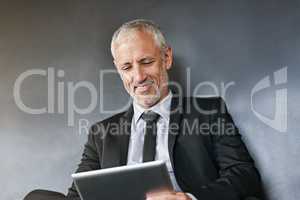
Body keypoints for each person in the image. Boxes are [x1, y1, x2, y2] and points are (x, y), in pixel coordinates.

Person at [24, 19, 262, 200]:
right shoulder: (101, 134)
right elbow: (77, 196)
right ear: (119, 70)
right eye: (127, 67)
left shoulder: (208, 112)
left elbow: (244, 174)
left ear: (166, 58)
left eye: (146, 62)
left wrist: (190, 199)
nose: (138, 76)